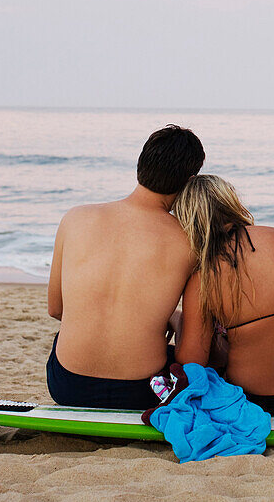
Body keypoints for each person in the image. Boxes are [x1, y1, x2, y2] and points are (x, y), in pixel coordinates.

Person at [46, 125, 205, 409]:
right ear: (190, 181)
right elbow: (192, 345)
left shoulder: (75, 219)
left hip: (68, 385)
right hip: (142, 391)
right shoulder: (191, 241)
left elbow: (56, 310)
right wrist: (172, 318)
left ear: (140, 165)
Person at [174, 175, 274, 416]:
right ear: (231, 202)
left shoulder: (204, 277)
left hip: (255, 399)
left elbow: (192, 361)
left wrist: (177, 321)